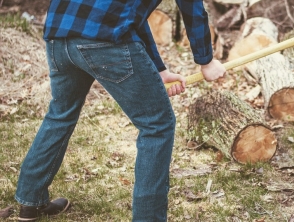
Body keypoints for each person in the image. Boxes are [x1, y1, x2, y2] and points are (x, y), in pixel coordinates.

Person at [14, 0, 226, 221]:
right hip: (105, 38)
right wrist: (207, 61)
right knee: (157, 125)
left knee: (60, 114)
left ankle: (31, 201)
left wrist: (159, 69)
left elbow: (131, 15)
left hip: (60, 34)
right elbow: (191, 7)